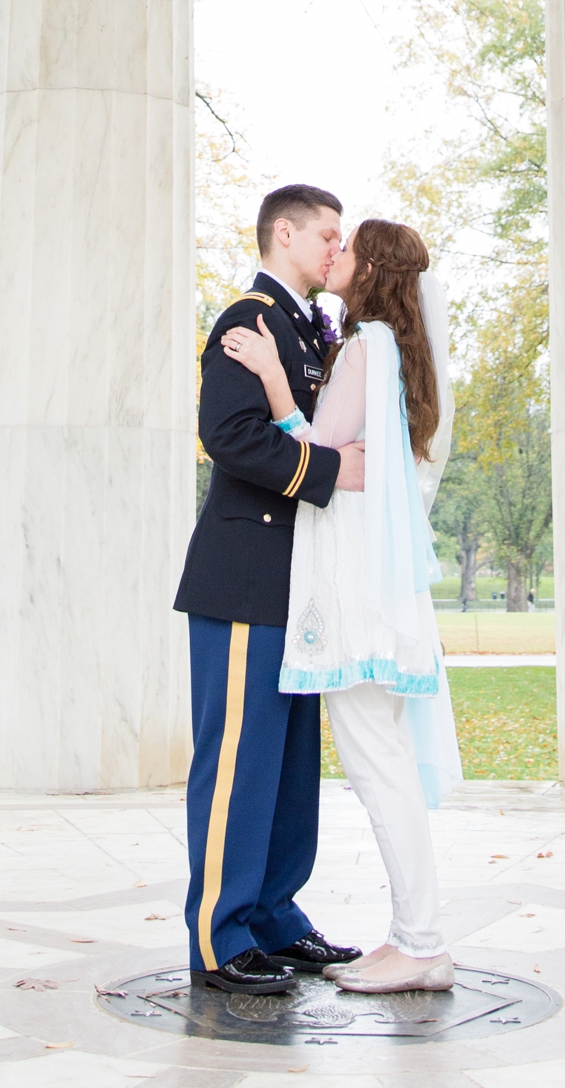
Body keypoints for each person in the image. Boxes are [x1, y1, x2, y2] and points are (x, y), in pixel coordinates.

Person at [223, 216, 459, 994]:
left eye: (348, 247)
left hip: (356, 590)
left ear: (372, 272)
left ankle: (421, 942)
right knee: (382, 762)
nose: (337, 255)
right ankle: (413, 935)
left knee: (377, 767)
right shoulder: (406, 357)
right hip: (383, 591)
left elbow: (313, 444)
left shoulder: (368, 348)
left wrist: (271, 376)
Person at [174, 182, 368, 992]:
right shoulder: (245, 320)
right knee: (236, 766)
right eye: (327, 235)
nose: (336, 249)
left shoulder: (306, 328)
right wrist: (328, 472)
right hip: (246, 574)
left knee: (288, 766)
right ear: (282, 234)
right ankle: (221, 937)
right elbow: (228, 437)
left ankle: (275, 918)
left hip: (296, 582)